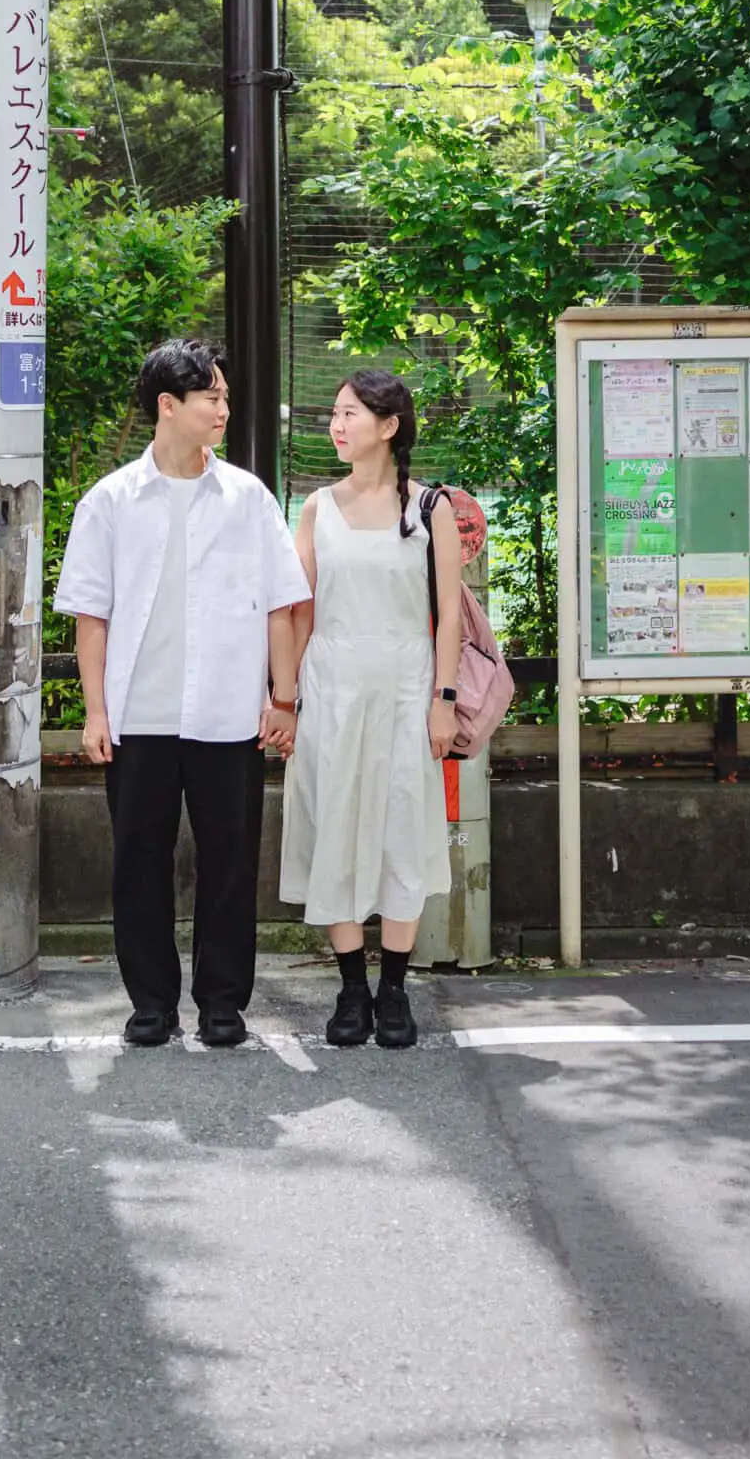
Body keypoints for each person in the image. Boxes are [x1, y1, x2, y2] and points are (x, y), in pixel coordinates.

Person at [55, 339, 307, 1049]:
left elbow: (281, 606)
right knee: (138, 863)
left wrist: (283, 698)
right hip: (139, 715)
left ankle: (223, 1003)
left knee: (231, 862)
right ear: (169, 405)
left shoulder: (248, 499)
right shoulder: (110, 501)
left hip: (228, 713)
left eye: (225, 397)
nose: (224, 410)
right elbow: (91, 616)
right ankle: (151, 1003)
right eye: (211, 398)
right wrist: (96, 712)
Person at [279, 370, 463, 1051]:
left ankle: (395, 989)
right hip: (332, 687)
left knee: (401, 829)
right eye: (334, 413)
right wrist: (284, 699)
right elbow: (298, 611)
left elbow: (449, 617)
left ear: (389, 426)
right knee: (337, 826)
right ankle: (351, 987)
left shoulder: (429, 508)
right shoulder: (316, 507)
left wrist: (444, 700)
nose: (336, 424)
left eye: (350, 413)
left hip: (407, 687)